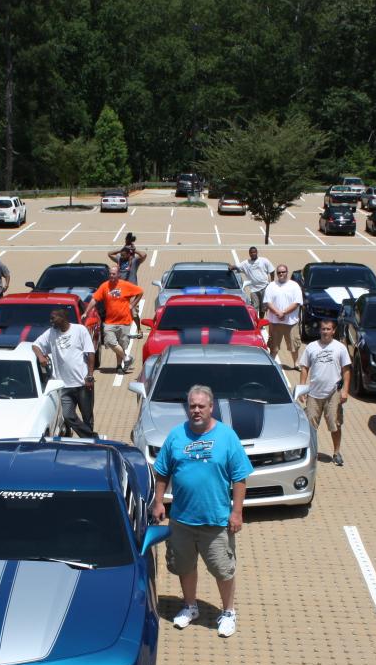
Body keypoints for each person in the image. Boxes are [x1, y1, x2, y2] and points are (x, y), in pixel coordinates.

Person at [150, 384, 252, 638]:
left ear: (211, 407)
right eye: (192, 406)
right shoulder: (176, 435)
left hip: (216, 520)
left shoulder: (227, 437)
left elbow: (240, 478)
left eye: (201, 406)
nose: (196, 411)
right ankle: (190, 606)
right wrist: (159, 501)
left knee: (222, 568)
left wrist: (236, 512)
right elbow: (162, 471)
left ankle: (228, 612)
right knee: (184, 566)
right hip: (182, 520)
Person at [32, 308, 96, 437]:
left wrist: (90, 376)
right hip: (63, 385)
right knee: (67, 416)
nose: (51, 321)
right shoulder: (51, 333)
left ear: (63, 318)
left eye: (53, 318)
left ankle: (89, 444)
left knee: (87, 417)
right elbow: (35, 345)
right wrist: (40, 356)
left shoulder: (80, 330)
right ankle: (92, 438)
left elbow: (90, 353)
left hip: (82, 383)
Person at [297, 318, 352, 464]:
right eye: (323, 329)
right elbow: (304, 368)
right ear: (320, 330)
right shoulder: (311, 347)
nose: (325, 332)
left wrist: (345, 391)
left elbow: (346, 371)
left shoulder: (340, 348)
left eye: (328, 329)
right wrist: (302, 389)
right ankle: (310, 453)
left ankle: (336, 453)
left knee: (335, 424)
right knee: (309, 427)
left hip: (333, 393)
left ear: (333, 331)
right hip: (313, 394)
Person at [84, 265, 143, 372]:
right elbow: (94, 300)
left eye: (113, 274)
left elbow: (140, 292)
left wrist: (132, 305)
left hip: (124, 321)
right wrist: (86, 311)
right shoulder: (104, 286)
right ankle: (127, 357)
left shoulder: (125, 285)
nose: (111, 275)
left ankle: (119, 366)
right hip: (109, 322)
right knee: (110, 341)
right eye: (110, 274)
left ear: (118, 275)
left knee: (121, 344)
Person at [263, 264, 304, 368]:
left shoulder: (294, 285)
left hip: (291, 322)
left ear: (287, 272)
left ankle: (295, 363)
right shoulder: (271, 286)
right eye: (279, 272)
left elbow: (297, 302)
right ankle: (271, 364)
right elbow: (268, 302)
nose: (281, 274)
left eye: (283, 272)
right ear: (277, 274)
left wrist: (284, 313)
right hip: (275, 322)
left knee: (294, 345)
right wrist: (278, 312)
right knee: (273, 346)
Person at [236, 246, 274, 312]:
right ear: (249, 254)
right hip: (253, 289)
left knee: (263, 308)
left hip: (264, 287)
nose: (253, 253)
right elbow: (237, 267)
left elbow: (272, 270)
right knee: (254, 308)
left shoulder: (264, 260)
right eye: (251, 252)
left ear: (257, 252)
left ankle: (261, 320)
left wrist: (272, 282)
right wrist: (231, 267)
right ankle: (255, 321)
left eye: (254, 252)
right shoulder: (246, 263)